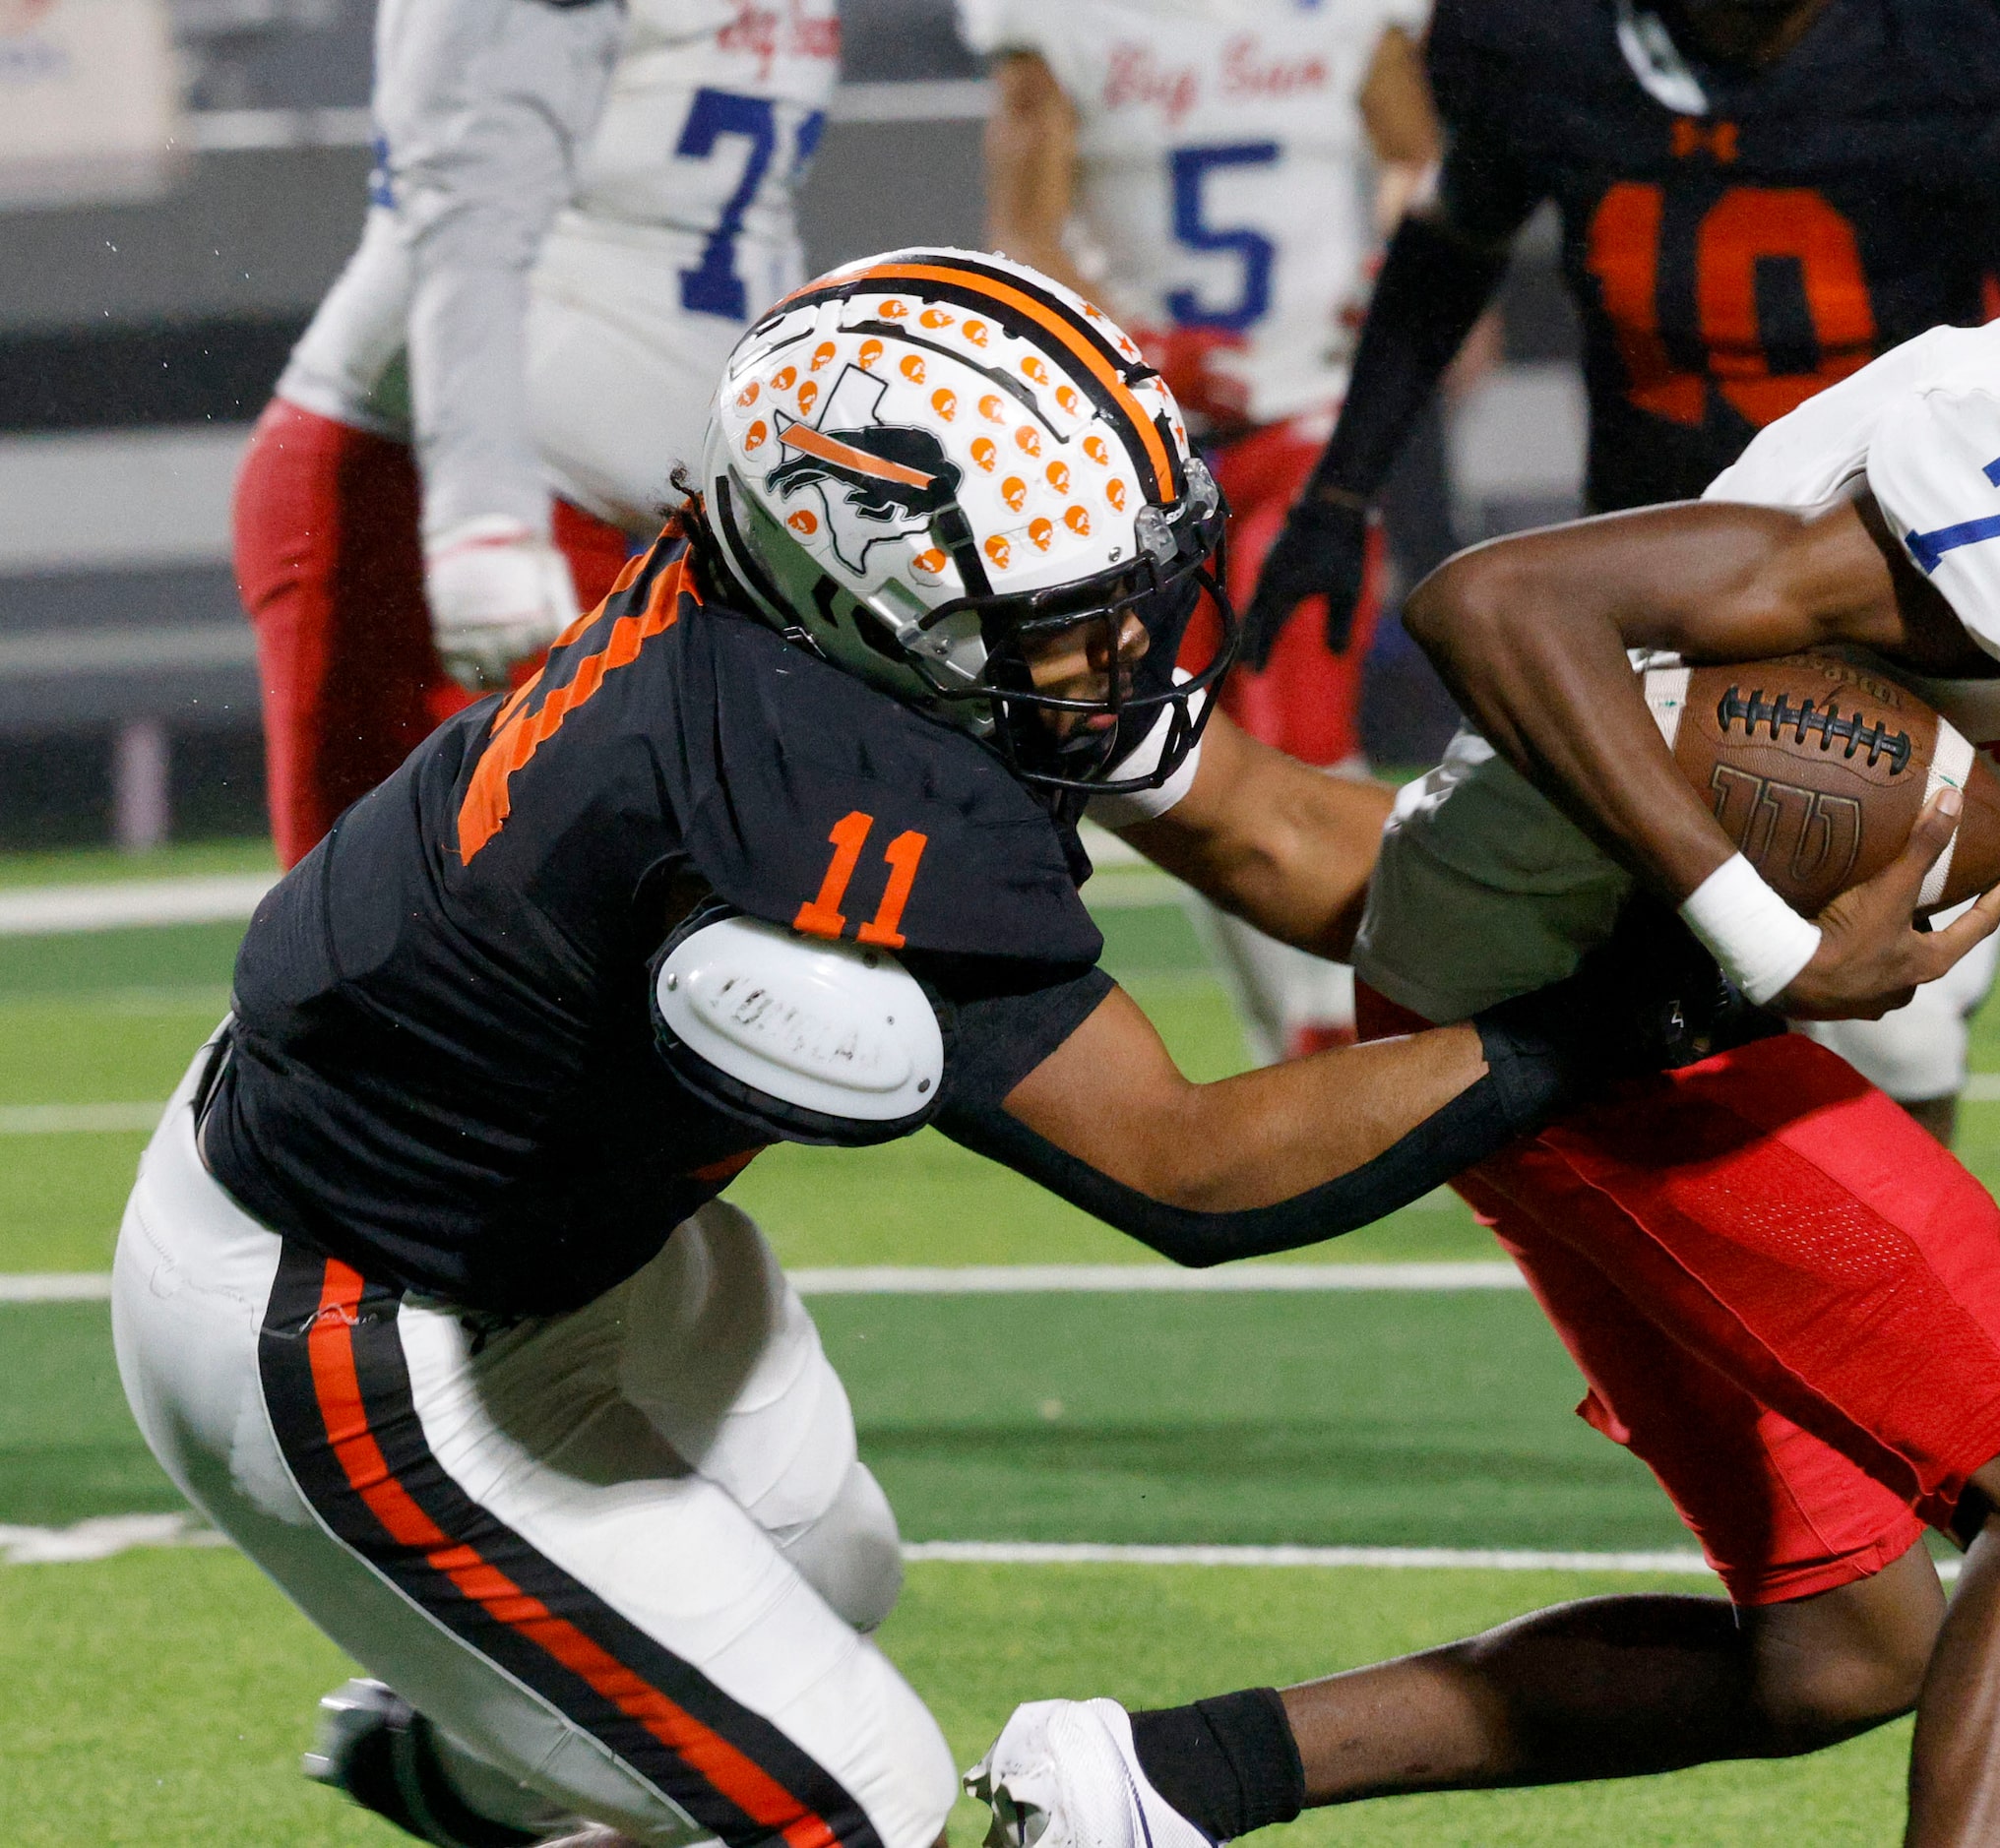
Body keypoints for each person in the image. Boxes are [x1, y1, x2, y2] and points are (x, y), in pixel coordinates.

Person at [970, 34, 2000, 1848]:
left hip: (1596, 950)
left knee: (1839, 1650)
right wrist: (1758, 929)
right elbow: (1503, 600)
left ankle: (1152, 1781)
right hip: (1613, 1002)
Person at [113, 253, 1833, 1848]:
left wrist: (1637, 882)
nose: (1132, 648)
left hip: (568, 1230)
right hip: (347, 1317)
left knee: (830, 1569)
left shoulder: (845, 608)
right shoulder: (811, 771)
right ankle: (514, 1733)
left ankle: (475, 1758)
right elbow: (1188, 1168)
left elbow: (1270, 834)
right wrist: (1627, 1019)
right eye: (1084, 611)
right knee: (851, 1797)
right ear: (877, 579)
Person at [1235, 0, 2000, 1137]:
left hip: (1890, 600)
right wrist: (1340, 491)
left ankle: (1890, 1272)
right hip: (1634, 599)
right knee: (1528, 941)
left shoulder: (1983, 47)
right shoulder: (1534, 39)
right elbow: (1450, 243)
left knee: (1888, 1019)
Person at [231, 0, 841, 867]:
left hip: (656, 529)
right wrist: (483, 522)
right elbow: (467, 215)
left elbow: (735, 229)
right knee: (397, 976)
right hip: (429, 495)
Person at [962, 0, 1442, 1061]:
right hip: (1139, 439)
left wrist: (1399, 278)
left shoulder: (1348, 18)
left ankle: (1340, 1022)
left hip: (1307, 421)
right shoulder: (1056, 25)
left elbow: (1421, 163)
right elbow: (1023, 237)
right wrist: (1144, 351)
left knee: (1302, 726)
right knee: (1164, 752)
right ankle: (1298, 1031)